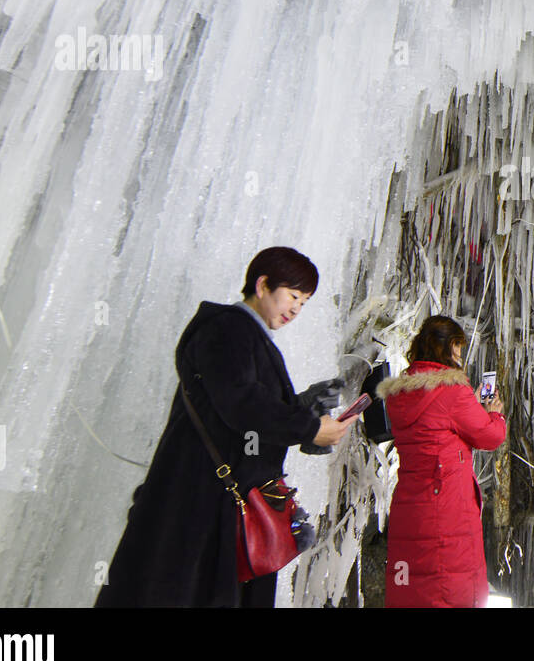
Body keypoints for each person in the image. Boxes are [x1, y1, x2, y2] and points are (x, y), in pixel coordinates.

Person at [96, 247, 353, 608]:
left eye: (304, 302)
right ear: (262, 285)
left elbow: (239, 405)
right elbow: (241, 403)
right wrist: (307, 427)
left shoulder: (244, 333)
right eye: (293, 295)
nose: (296, 309)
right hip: (201, 500)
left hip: (218, 501)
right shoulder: (227, 328)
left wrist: (302, 407)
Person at [376, 315, 506, 607]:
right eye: (457, 347)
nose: (460, 355)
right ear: (444, 349)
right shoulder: (452, 390)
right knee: (449, 584)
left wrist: (466, 406)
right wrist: (494, 413)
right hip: (446, 505)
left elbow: (434, 425)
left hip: (410, 505)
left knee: (414, 587)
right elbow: (488, 436)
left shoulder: (399, 394)